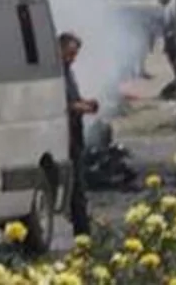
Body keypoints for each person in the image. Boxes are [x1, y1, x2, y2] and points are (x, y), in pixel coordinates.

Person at [59, 32, 98, 238]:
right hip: (65, 136)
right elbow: (62, 103)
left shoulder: (68, 73)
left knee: (79, 187)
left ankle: (83, 230)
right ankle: (82, 232)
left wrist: (86, 102)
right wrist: (80, 107)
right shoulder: (57, 74)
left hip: (75, 135)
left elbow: (74, 99)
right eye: (70, 53)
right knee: (75, 188)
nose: (72, 58)